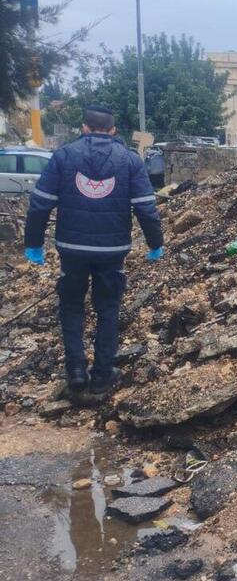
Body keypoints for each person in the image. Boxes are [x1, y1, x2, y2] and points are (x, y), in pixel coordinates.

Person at [23, 105, 164, 402]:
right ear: (113, 131)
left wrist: (33, 243)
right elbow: (145, 209)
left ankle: (75, 372)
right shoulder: (129, 161)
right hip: (112, 251)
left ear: (84, 128)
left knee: (72, 307)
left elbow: (40, 203)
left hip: (71, 249)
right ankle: (101, 376)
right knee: (108, 309)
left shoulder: (63, 156)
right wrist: (155, 243)